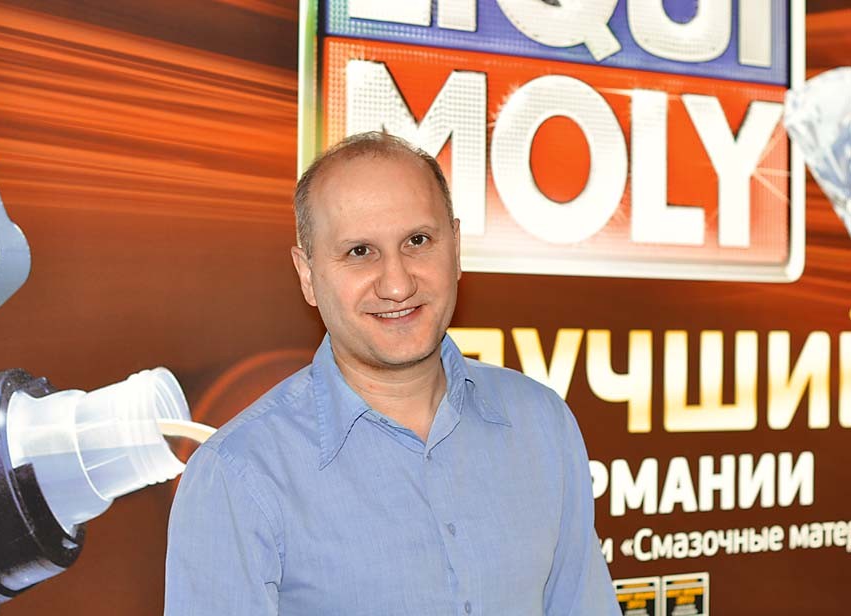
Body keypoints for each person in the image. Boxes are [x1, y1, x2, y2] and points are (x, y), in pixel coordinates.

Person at [164, 132, 620, 615]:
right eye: (360, 251)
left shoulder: (542, 423)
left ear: (456, 248)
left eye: (417, 241)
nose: (398, 284)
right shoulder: (238, 474)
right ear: (307, 275)